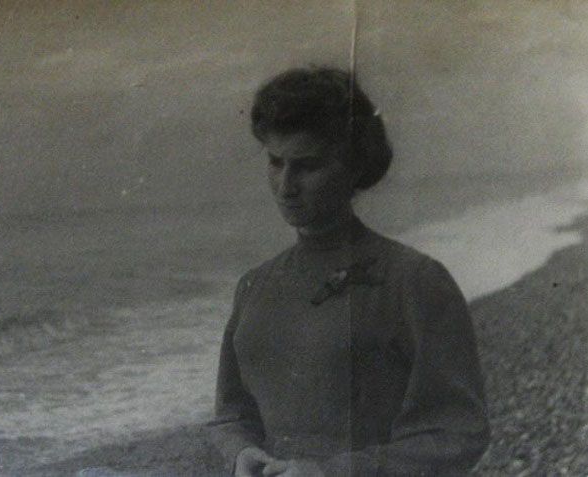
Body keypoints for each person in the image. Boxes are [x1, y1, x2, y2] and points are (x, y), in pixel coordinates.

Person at [205, 67, 490, 476]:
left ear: (355, 166)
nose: (286, 185)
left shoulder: (415, 281)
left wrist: (331, 473)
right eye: (275, 162)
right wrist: (240, 453)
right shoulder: (254, 286)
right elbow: (231, 415)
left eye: (308, 166)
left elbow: (457, 433)